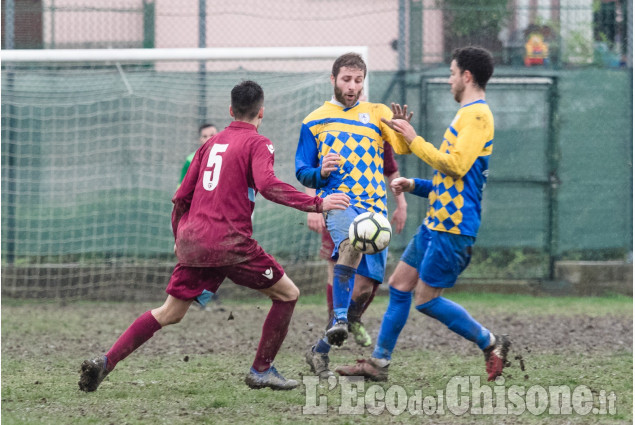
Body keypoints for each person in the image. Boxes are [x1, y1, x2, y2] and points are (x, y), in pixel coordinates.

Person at [78, 80, 350, 392]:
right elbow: (268, 185)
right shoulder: (258, 143)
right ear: (262, 112)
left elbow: (181, 197)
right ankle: (261, 370)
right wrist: (317, 202)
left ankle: (106, 361)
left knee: (169, 312)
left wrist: (180, 238)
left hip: (194, 239)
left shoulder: (209, 144)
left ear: (231, 111)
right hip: (230, 242)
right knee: (288, 294)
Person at [335, 46, 510, 384]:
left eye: (451, 72)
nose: (449, 80)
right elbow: (452, 179)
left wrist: (414, 140)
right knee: (399, 285)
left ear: (466, 76)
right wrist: (414, 183)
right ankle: (378, 364)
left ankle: (491, 342)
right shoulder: (465, 113)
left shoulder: (477, 115)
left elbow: (456, 166)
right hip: (436, 222)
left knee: (426, 301)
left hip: (454, 226)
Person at [295, 52, 413, 379]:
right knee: (349, 245)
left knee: (366, 287)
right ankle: (339, 319)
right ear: (332, 80)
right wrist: (319, 174)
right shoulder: (314, 120)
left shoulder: (378, 113)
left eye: (358, 80)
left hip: (376, 208)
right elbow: (302, 171)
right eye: (346, 79)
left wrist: (405, 132)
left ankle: (320, 349)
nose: (353, 86)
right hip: (339, 202)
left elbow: (399, 153)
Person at [305, 142, 407, 348]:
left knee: (368, 283)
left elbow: (391, 170)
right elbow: (310, 168)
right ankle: (334, 325)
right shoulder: (329, 128)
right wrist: (312, 205)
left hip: (372, 212)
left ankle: (353, 318)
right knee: (337, 266)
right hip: (337, 206)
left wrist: (402, 204)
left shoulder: (376, 125)